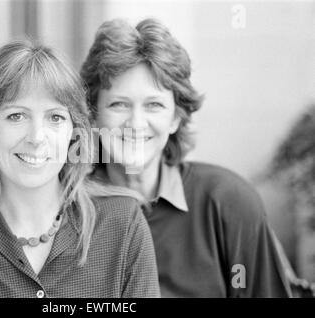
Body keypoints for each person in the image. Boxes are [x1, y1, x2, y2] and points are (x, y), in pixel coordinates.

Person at [0, 39, 160, 298]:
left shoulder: (123, 225)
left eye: (55, 117)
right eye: (16, 116)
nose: (37, 137)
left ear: (74, 133)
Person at [81, 18, 292, 297]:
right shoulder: (67, 213)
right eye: (119, 104)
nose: (136, 122)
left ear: (176, 118)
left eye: (154, 105)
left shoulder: (227, 203)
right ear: (93, 115)